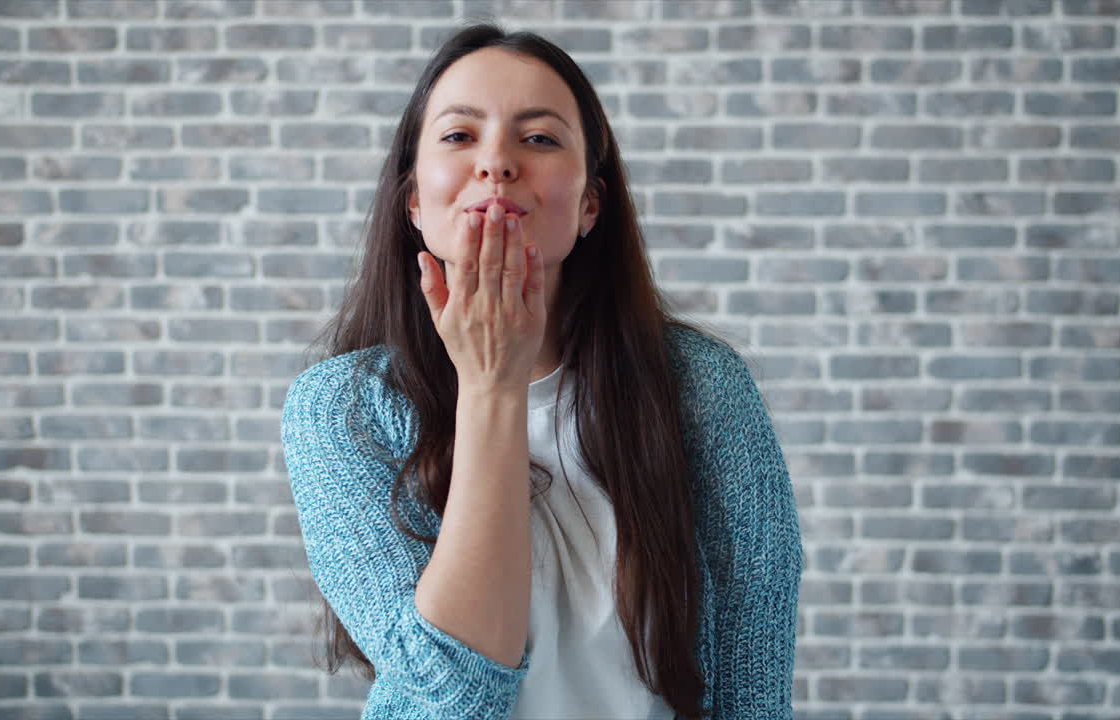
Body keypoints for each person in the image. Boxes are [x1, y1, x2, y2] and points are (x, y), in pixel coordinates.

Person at [280, 22, 802, 720]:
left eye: (540, 138)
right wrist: (492, 386)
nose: (496, 163)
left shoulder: (702, 388)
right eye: (460, 136)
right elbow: (450, 689)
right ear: (413, 200)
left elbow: (752, 684)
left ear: (590, 204)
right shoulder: (341, 408)